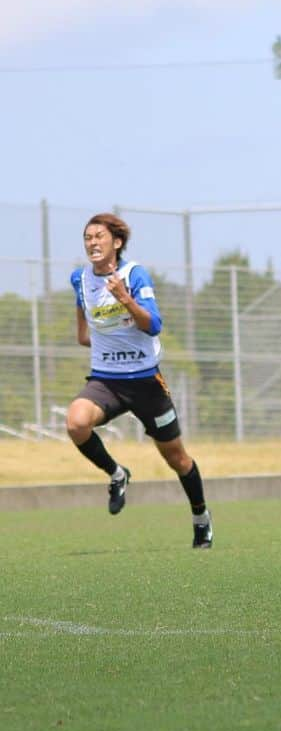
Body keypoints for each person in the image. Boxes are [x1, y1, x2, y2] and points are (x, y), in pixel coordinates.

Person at [66, 213, 213, 548]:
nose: (92, 242)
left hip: (146, 382)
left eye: (99, 236)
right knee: (76, 423)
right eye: (87, 237)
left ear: (116, 243)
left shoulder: (134, 275)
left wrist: (125, 299)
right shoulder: (80, 279)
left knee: (176, 458)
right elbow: (82, 334)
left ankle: (201, 518)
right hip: (106, 381)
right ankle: (117, 474)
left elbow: (154, 325)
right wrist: (104, 342)